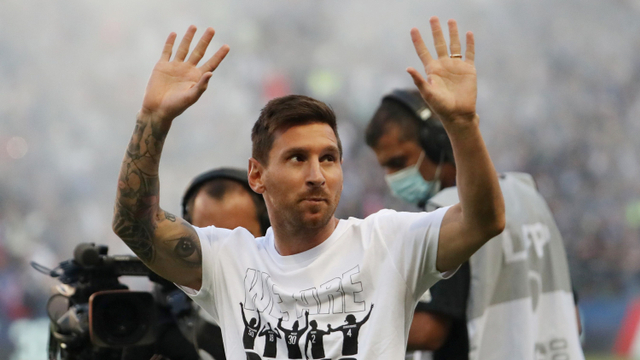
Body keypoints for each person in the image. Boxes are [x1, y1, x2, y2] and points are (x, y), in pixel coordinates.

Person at [112, 17, 506, 359]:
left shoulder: (388, 242)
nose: (317, 174)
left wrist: (462, 123)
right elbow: (134, 225)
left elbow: (482, 221)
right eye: (297, 158)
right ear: (257, 175)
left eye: (329, 158)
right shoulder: (228, 261)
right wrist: (153, 119)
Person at [365, 89, 585, 359]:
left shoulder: (446, 215)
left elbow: (428, 331)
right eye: (386, 167)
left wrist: (345, 330)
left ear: (437, 142)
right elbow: (571, 319)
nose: (392, 177)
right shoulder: (530, 197)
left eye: (399, 162)